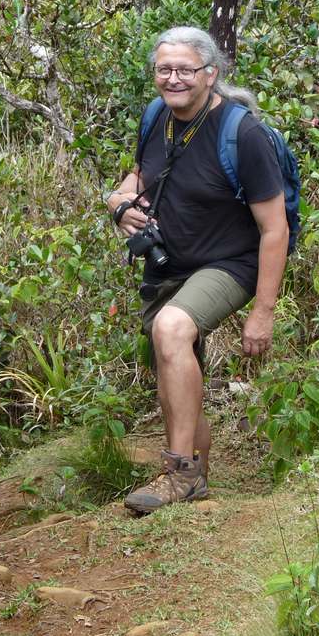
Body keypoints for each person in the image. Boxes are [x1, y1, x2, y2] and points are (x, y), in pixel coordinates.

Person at [107, 26, 289, 515]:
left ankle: (179, 472)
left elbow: (274, 229)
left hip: (231, 262)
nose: (173, 79)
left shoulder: (242, 134)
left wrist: (263, 312)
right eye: (164, 69)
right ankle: (195, 475)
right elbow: (141, 175)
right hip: (171, 260)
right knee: (171, 366)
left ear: (210, 74)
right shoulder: (156, 117)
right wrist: (119, 199)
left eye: (185, 70)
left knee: (172, 328)